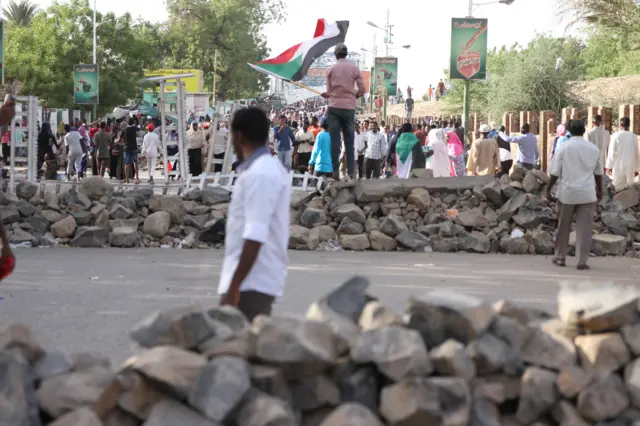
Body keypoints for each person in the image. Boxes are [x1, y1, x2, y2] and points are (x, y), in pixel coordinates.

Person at [218, 107, 291, 321]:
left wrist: (234, 285)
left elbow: (255, 234)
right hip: (252, 281)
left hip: (251, 284)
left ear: (239, 136)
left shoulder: (261, 173)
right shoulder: (265, 169)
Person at [547, 120, 603, 270]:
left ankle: (560, 257)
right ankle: (581, 261)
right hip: (587, 192)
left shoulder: (564, 147)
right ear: (584, 131)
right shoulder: (593, 149)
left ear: (569, 131)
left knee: (563, 226)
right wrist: (600, 190)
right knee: (585, 228)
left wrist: (548, 189)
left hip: (567, 193)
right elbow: (598, 174)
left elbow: (554, 172)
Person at [322, 44, 366, 180]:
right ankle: (352, 174)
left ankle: (335, 172)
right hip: (349, 108)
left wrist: (327, 94)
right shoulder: (354, 68)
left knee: (334, 141)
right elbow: (362, 88)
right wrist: (355, 95)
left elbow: (329, 91)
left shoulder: (330, 69)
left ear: (335, 55)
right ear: (346, 54)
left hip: (334, 107)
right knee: (349, 141)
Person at [606, 117, 640, 192]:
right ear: (629, 125)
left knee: (617, 186)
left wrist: (609, 166)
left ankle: (617, 201)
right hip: (630, 165)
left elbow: (611, 152)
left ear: (620, 125)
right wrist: (637, 168)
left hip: (618, 165)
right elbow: (637, 153)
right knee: (630, 186)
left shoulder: (615, 136)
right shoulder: (633, 136)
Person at [123, 117, 140, 183]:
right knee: (135, 162)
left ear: (127, 122)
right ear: (132, 122)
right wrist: (137, 120)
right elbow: (139, 127)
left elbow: (119, 138)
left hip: (126, 148)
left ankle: (127, 180)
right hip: (134, 147)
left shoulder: (124, 129)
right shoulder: (134, 128)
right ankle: (137, 178)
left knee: (127, 164)